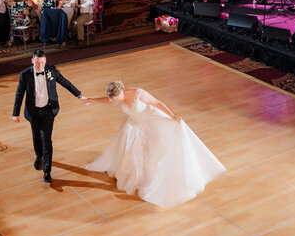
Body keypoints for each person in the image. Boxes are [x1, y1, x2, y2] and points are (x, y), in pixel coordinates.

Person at [82, 81, 226, 209]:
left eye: (117, 98)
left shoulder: (138, 93)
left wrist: (172, 115)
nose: (117, 101)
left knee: (152, 152)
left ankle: (154, 180)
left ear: (121, 91)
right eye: (114, 99)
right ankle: (138, 176)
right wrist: (90, 100)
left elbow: (156, 102)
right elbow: (106, 100)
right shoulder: (115, 97)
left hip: (149, 123)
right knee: (133, 153)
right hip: (134, 126)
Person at [12, 48, 86, 183]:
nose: (39, 66)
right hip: (33, 112)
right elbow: (19, 93)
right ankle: (39, 156)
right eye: (37, 63)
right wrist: (15, 113)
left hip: (48, 111)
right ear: (32, 61)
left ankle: (47, 171)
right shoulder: (25, 74)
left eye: (42, 63)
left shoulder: (51, 70)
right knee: (36, 137)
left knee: (46, 140)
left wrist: (79, 95)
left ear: (45, 61)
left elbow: (65, 82)